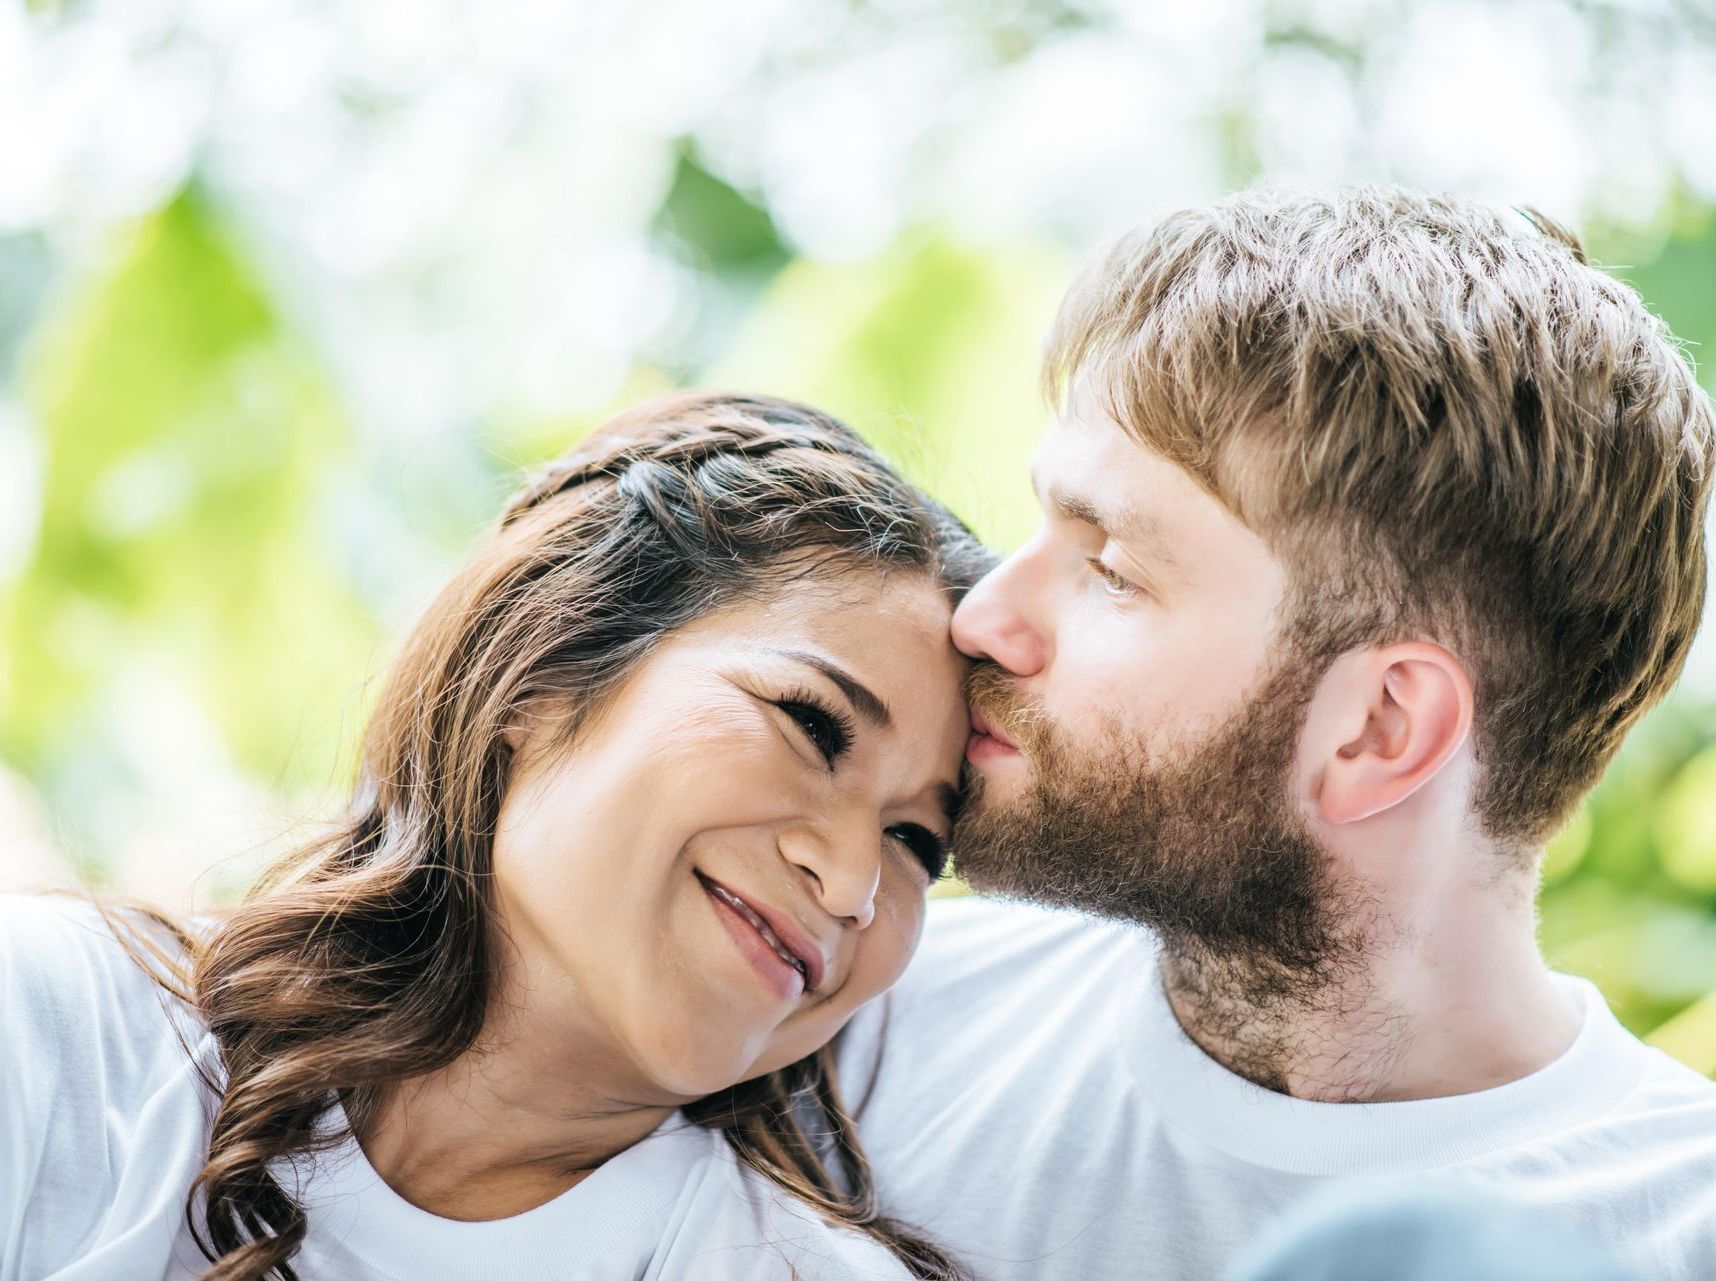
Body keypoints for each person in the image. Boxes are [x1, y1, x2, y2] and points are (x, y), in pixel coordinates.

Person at [836, 186, 1716, 1280]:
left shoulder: (1682, 1232)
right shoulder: (855, 1025)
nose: (982, 617)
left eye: (1109, 569)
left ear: (1378, 730)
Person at [0, 392, 989, 1281]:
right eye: (811, 724)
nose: (856, 880)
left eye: (917, 845)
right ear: (543, 666)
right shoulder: (59, 1043)